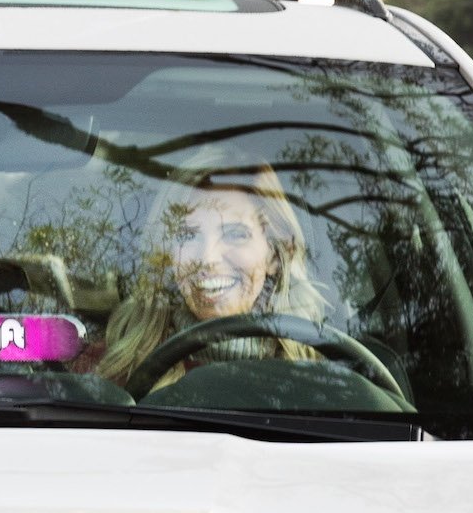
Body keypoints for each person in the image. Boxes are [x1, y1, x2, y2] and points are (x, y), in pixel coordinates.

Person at [95, 157, 331, 393]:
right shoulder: (112, 370)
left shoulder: (327, 381)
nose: (207, 259)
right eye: (187, 236)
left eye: (235, 234)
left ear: (274, 256)